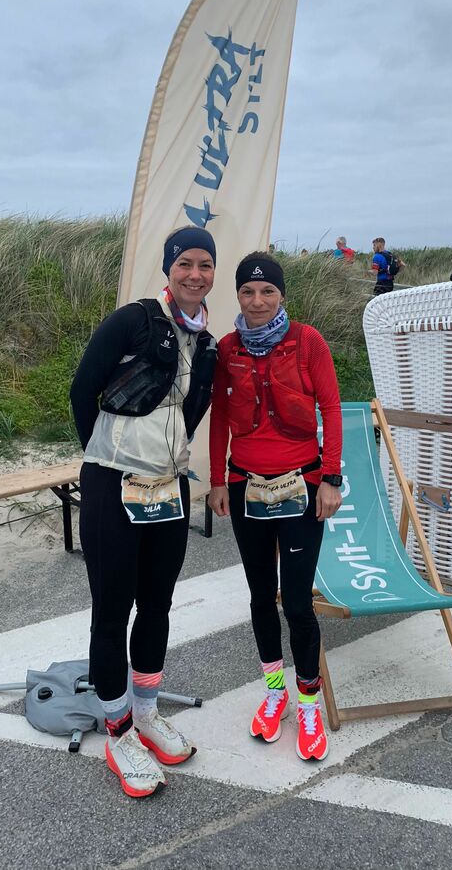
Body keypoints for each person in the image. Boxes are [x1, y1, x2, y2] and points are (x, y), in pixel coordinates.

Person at [70, 226, 217, 798]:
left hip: (168, 489)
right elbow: (83, 391)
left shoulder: (207, 342)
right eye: (185, 264)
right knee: (113, 609)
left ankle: (148, 712)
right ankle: (118, 730)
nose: (195, 274)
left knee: (157, 603)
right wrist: (107, 458)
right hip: (114, 486)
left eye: (205, 265)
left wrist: (166, 459)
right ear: (169, 268)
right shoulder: (131, 321)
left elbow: (194, 411)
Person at [208, 252, 343, 762]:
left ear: (281, 295)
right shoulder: (228, 348)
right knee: (261, 595)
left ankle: (308, 698)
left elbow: (330, 406)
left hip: (301, 485)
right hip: (246, 487)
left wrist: (331, 479)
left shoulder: (307, 341)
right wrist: (219, 480)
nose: (258, 301)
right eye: (248, 292)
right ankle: (275, 689)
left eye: (267, 292)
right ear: (238, 296)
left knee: (299, 601)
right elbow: (220, 414)